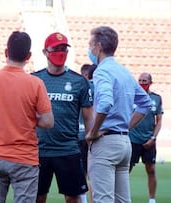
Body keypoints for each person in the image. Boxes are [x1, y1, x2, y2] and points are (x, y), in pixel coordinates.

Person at [0, 31, 54, 203]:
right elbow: (48, 121)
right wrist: (27, 116)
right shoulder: (35, 83)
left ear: (6, 52)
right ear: (28, 56)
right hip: (24, 157)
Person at [85, 26, 152, 203]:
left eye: (91, 44)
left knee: (103, 199)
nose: (90, 49)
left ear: (99, 46)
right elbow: (145, 103)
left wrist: (93, 131)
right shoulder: (124, 71)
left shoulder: (102, 71)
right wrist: (125, 127)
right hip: (124, 142)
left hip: (105, 142)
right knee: (122, 199)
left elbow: (105, 103)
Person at [31, 32, 93, 203]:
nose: (60, 52)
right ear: (45, 52)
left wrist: (90, 143)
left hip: (69, 150)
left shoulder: (79, 81)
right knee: (37, 197)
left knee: (73, 198)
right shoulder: (34, 79)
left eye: (64, 48)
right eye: (56, 48)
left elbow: (89, 118)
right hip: (38, 151)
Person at [129, 72, 163, 203]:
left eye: (145, 81)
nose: (142, 83)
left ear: (150, 83)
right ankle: (122, 196)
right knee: (125, 170)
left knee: (151, 169)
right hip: (132, 140)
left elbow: (159, 121)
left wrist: (153, 138)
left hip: (149, 140)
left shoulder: (156, 98)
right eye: (140, 81)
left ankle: (152, 199)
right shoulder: (131, 96)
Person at [78, 64, 96, 203]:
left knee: (85, 173)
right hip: (89, 135)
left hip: (84, 135)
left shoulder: (81, 86)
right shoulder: (98, 87)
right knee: (90, 173)